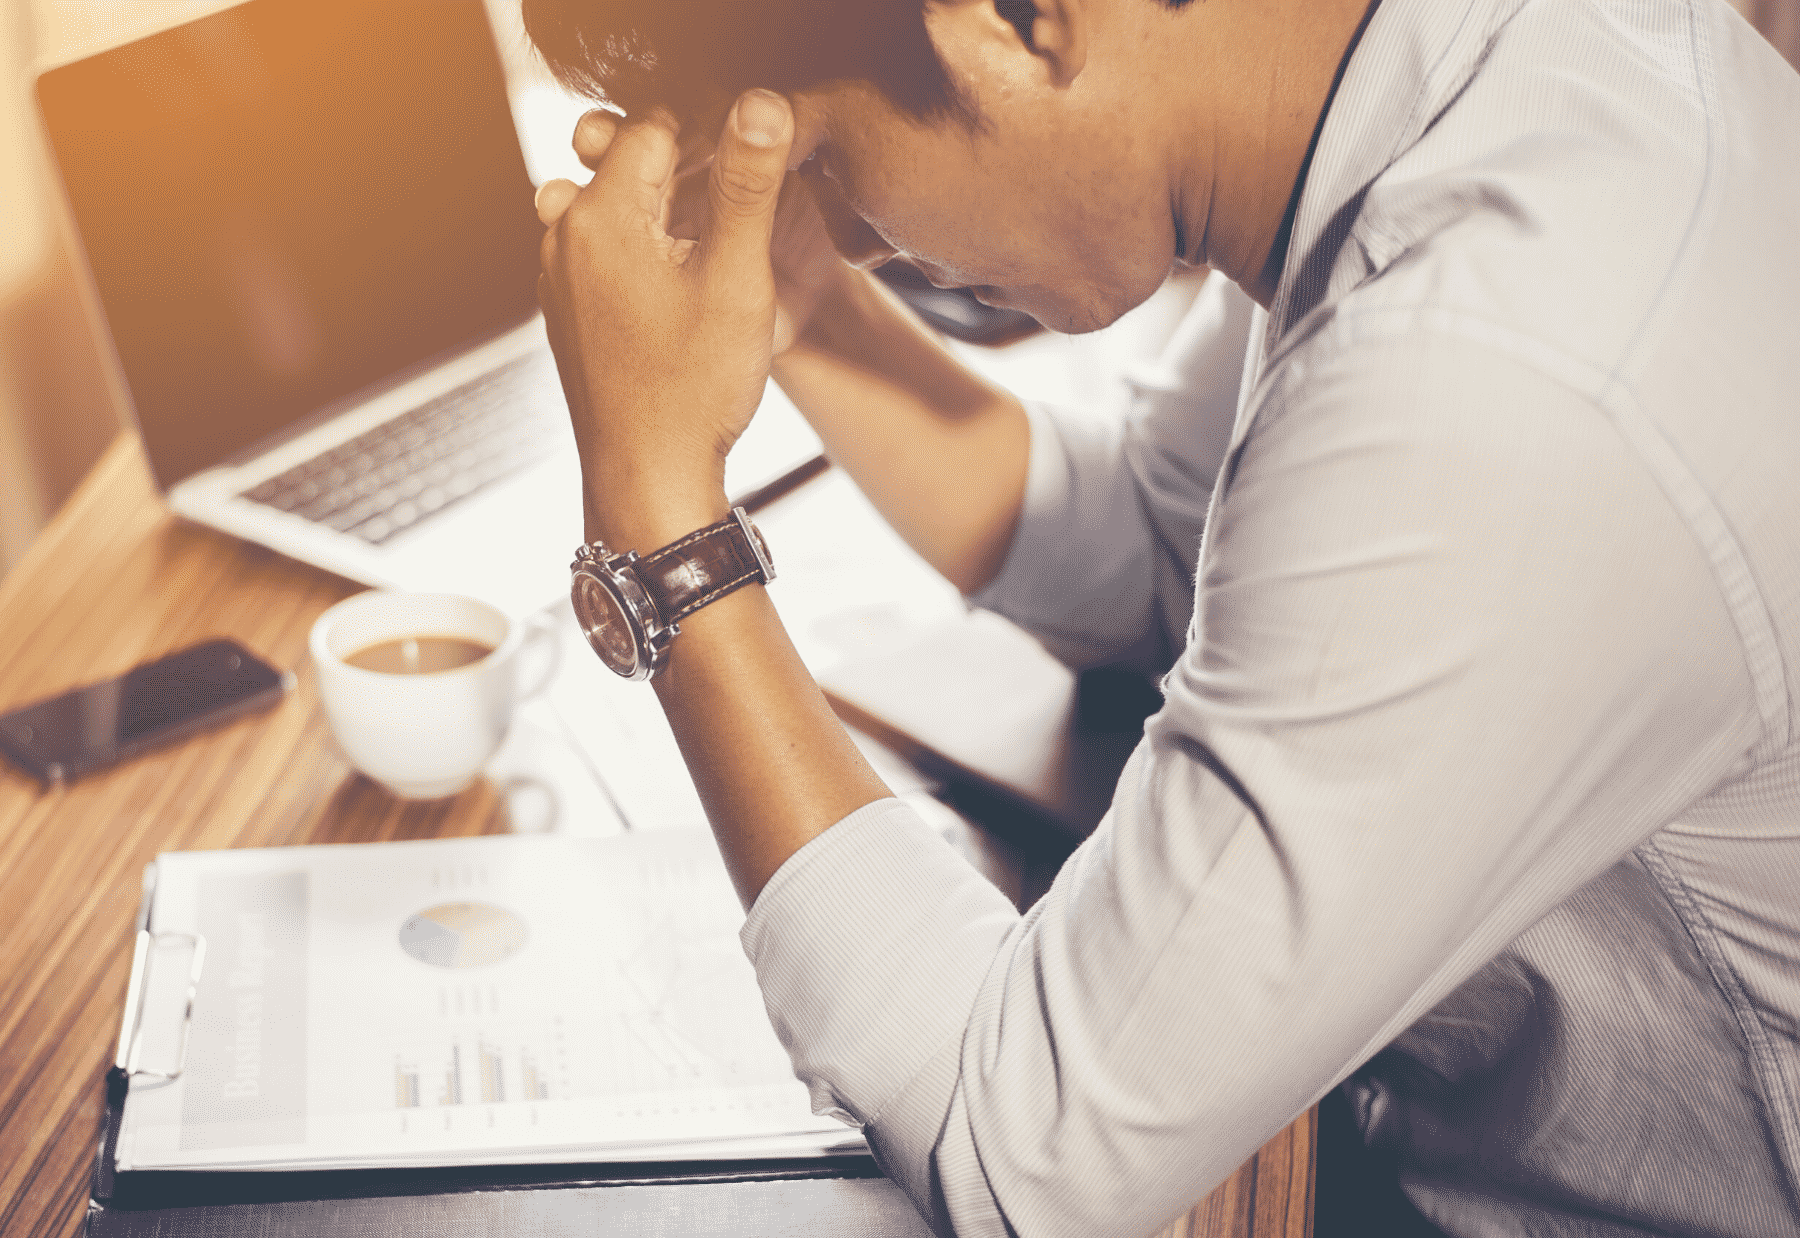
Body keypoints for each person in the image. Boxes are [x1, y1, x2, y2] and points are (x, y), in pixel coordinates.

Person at [523, 0, 1800, 1233]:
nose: (853, 229)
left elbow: (1021, 1150)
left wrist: (655, 508)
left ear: (1016, 21)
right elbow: (1151, 540)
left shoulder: (1498, 373)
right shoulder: (1441, 74)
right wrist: (794, 294)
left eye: (837, 159)